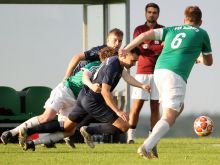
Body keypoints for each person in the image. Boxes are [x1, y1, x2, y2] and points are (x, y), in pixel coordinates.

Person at [0, 28, 123, 147]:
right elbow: (78, 60)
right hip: (67, 88)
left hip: (77, 97)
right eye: (115, 40)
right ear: (107, 41)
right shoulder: (101, 53)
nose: (117, 44)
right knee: (47, 117)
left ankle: (35, 143)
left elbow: (123, 74)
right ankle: (11, 133)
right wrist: (67, 76)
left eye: (120, 41)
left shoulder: (115, 58)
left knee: (69, 129)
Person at [122, 5, 213, 159]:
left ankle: (155, 136)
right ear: (201, 21)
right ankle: (147, 146)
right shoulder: (202, 33)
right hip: (175, 75)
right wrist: (199, 58)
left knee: (179, 107)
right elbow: (209, 61)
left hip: (159, 71)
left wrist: (126, 48)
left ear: (184, 20)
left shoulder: (172, 29)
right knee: (170, 115)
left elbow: (145, 35)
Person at [21, 47, 151, 151]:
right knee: (124, 126)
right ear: (123, 55)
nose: (134, 64)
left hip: (84, 96)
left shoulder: (114, 61)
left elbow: (127, 77)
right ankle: (89, 130)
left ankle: (29, 132)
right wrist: (117, 111)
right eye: (133, 61)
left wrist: (141, 85)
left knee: (67, 127)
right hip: (94, 101)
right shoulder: (114, 66)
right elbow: (105, 91)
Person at [127, 3, 164, 146]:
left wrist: (149, 47)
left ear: (158, 14)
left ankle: (151, 138)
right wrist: (156, 47)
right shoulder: (139, 29)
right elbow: (140, 48)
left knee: (155, 107)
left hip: (158, 73)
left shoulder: (162, 29)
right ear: (145, 13)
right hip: (142, 72)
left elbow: (163, 48)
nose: (151, 14)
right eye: (149, 12)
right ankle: (131, 136)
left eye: (154, 12)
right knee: (136, 106)